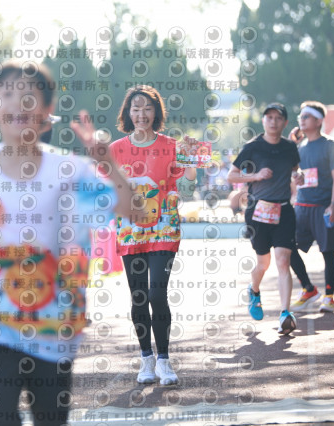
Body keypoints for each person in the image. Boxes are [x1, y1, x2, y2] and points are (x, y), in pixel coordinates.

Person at [0, 60, 145, 426]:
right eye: (7, 94)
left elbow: (135, 212)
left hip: (54, 321)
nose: (19, 104)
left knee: (50, 418)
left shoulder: (71, 170)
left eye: (30, 96)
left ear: (47, 111)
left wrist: (107, 162)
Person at [109, 85, 198, 385]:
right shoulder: (116, 149)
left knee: (157, 294)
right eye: (136, 109)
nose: (141, 114)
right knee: (139, 296)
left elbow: (188, 185)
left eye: (147, 108)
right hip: (131, 230)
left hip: (164, 228)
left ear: (156, 112)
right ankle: (146, 358)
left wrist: (189, 158)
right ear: (128, 113)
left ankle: (164, 361)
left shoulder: (171, 146)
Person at [227, 103, 300, 335]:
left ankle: (285, 313)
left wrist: (298, 177)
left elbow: (295, 170)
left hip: (284, 210)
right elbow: (231, 176)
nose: (273, 122)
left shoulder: (290, 147)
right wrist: (255, 176)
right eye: (269, 117)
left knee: (283, 260)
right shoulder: (253, 147)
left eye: (278, 118)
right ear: (264, 121)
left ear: (285, 122)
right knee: (263, 263)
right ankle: (254, 290)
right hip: (258, 211)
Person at [287, 101, 334, 313]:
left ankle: (329, 297)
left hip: (323, 208)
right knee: (287, 247)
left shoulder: (330, 145)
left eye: (306, 116)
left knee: (328, 252)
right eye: (300, 117)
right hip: (302, 207)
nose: (301, 120)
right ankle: (308, 289)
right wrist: (291, 146)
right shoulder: (299, 147)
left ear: (319, 121)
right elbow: (293, 173)